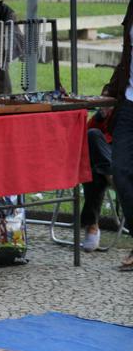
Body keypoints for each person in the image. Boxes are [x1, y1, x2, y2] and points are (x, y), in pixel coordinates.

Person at [104, 0, 133, 271]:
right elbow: (126, 54)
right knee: (121, 171)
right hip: (129, 102)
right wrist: (112, 88)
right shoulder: (132, 8)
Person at [80, 108, 113, 252]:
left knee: (94, 170)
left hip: (124, 155)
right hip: (103, 154)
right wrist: (99, 117)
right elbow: (85, 134)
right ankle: (110, 175)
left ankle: (92, 224)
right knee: (92, 135)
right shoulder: (113, 94)